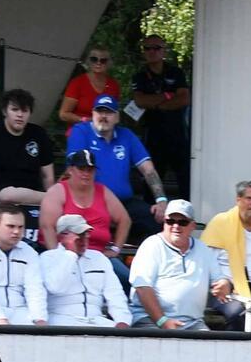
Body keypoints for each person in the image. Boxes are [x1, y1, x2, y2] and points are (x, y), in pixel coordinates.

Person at [129, 201, 242, 330]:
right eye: (170, 221)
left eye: (183, 222)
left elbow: (219, 279)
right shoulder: (151, 245)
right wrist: (162, 321)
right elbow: (143, 288)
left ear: (192, 226)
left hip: (193, 323)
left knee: (212, 346)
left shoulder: (202, 249)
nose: (176, 226)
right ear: (164, 223)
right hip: (150, 320)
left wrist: (225, 283)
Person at [66, 94, 168, 227]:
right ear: (92, 113)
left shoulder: (127, 135)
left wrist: (161, 200)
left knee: (157, 220)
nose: (103, 116)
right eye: (99, 111)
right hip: (90, 203)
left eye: (108, 112)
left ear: (117, 117)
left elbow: (148, 169)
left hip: (124, 203)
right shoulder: (81, 132)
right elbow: (75, 169)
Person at [0, 88, 55, 217]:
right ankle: (55, 199)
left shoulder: (39, 134)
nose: (20, 115)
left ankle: (53, 199)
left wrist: (52, 205)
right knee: (9, 195)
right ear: (4, 111)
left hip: (30, 197)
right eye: (14, 110)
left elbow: (48, 176)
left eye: (25, 110)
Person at [38, 149, 131, 265]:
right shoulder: (57, 191)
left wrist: (115, 249)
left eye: (90, 170)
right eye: (81, 169)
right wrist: (57, 257)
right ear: (71, 170)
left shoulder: (103, 192)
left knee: (127, 279)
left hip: (99, 256)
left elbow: (125, 220)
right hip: (64, 255)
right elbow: (47, 227)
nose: (86, 173)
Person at [36, 215, 130, 326]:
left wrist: (122, 320)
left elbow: (115, 293)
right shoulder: (48, 257)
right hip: (61, 319)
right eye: (79, 235)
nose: (83, 239)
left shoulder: (99, 258)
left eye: (85, 234)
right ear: (62, 236)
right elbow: (55, 287)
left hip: (96, 320)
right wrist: (70, 254)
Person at [130, 34, 190, 187]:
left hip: (177, 133)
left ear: (164, 51)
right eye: (147, 48)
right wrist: (168, 96)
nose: (152, 51)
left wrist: (156, 104)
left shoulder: (176, 72)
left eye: (156, 48)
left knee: (185, 179)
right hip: (153, 134)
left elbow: (184, 99)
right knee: (153, 179)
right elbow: (140, 100)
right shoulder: (139, 76)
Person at [57, 48, 123, 126]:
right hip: (80, 130)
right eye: (94, 59)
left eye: (103, 60)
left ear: (109, 63)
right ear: (88, 61)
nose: (98, 63)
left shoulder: (114, 85)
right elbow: (63, 114)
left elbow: (115, 114)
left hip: (105, 131)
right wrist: (84, 120)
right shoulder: (77, 82)